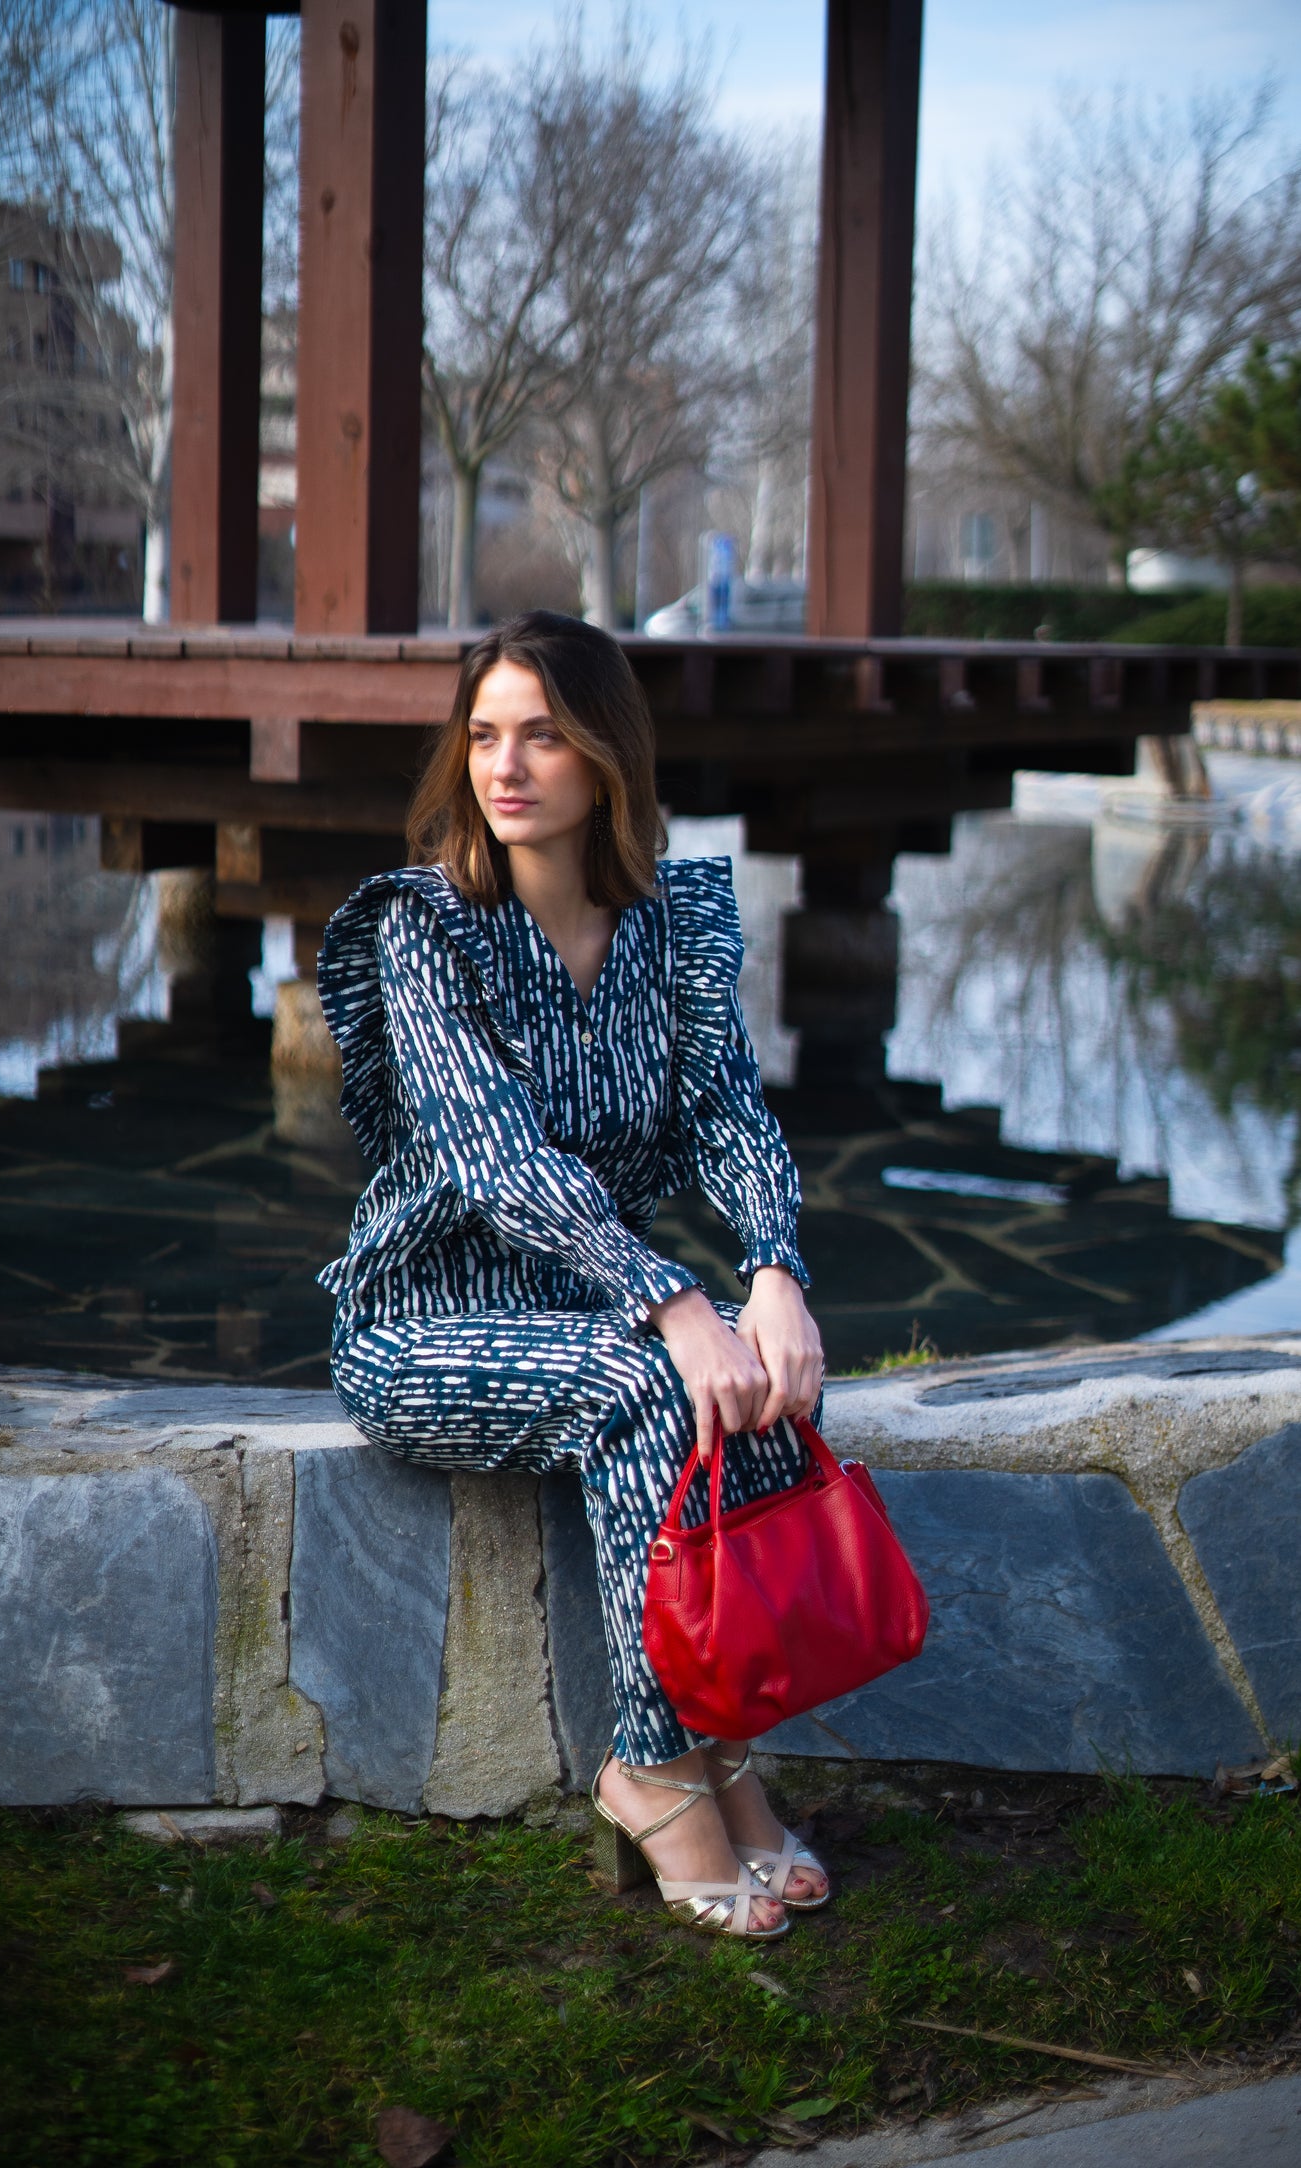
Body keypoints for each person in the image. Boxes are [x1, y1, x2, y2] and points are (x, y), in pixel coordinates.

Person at [317, 610, 829, 1942]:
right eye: (483, 735)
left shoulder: (675, 923)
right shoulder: (421, 930)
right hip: (426, 1322)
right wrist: (672, 1299)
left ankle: (717, 1753)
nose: (506, 764)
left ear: (606, 754)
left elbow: (727, 1111)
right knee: (645, 1384)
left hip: (589, 1307)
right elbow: (495, 1161)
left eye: (542, 733)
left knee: (750, 1379)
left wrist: (771, 1270)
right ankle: (656, 1767)